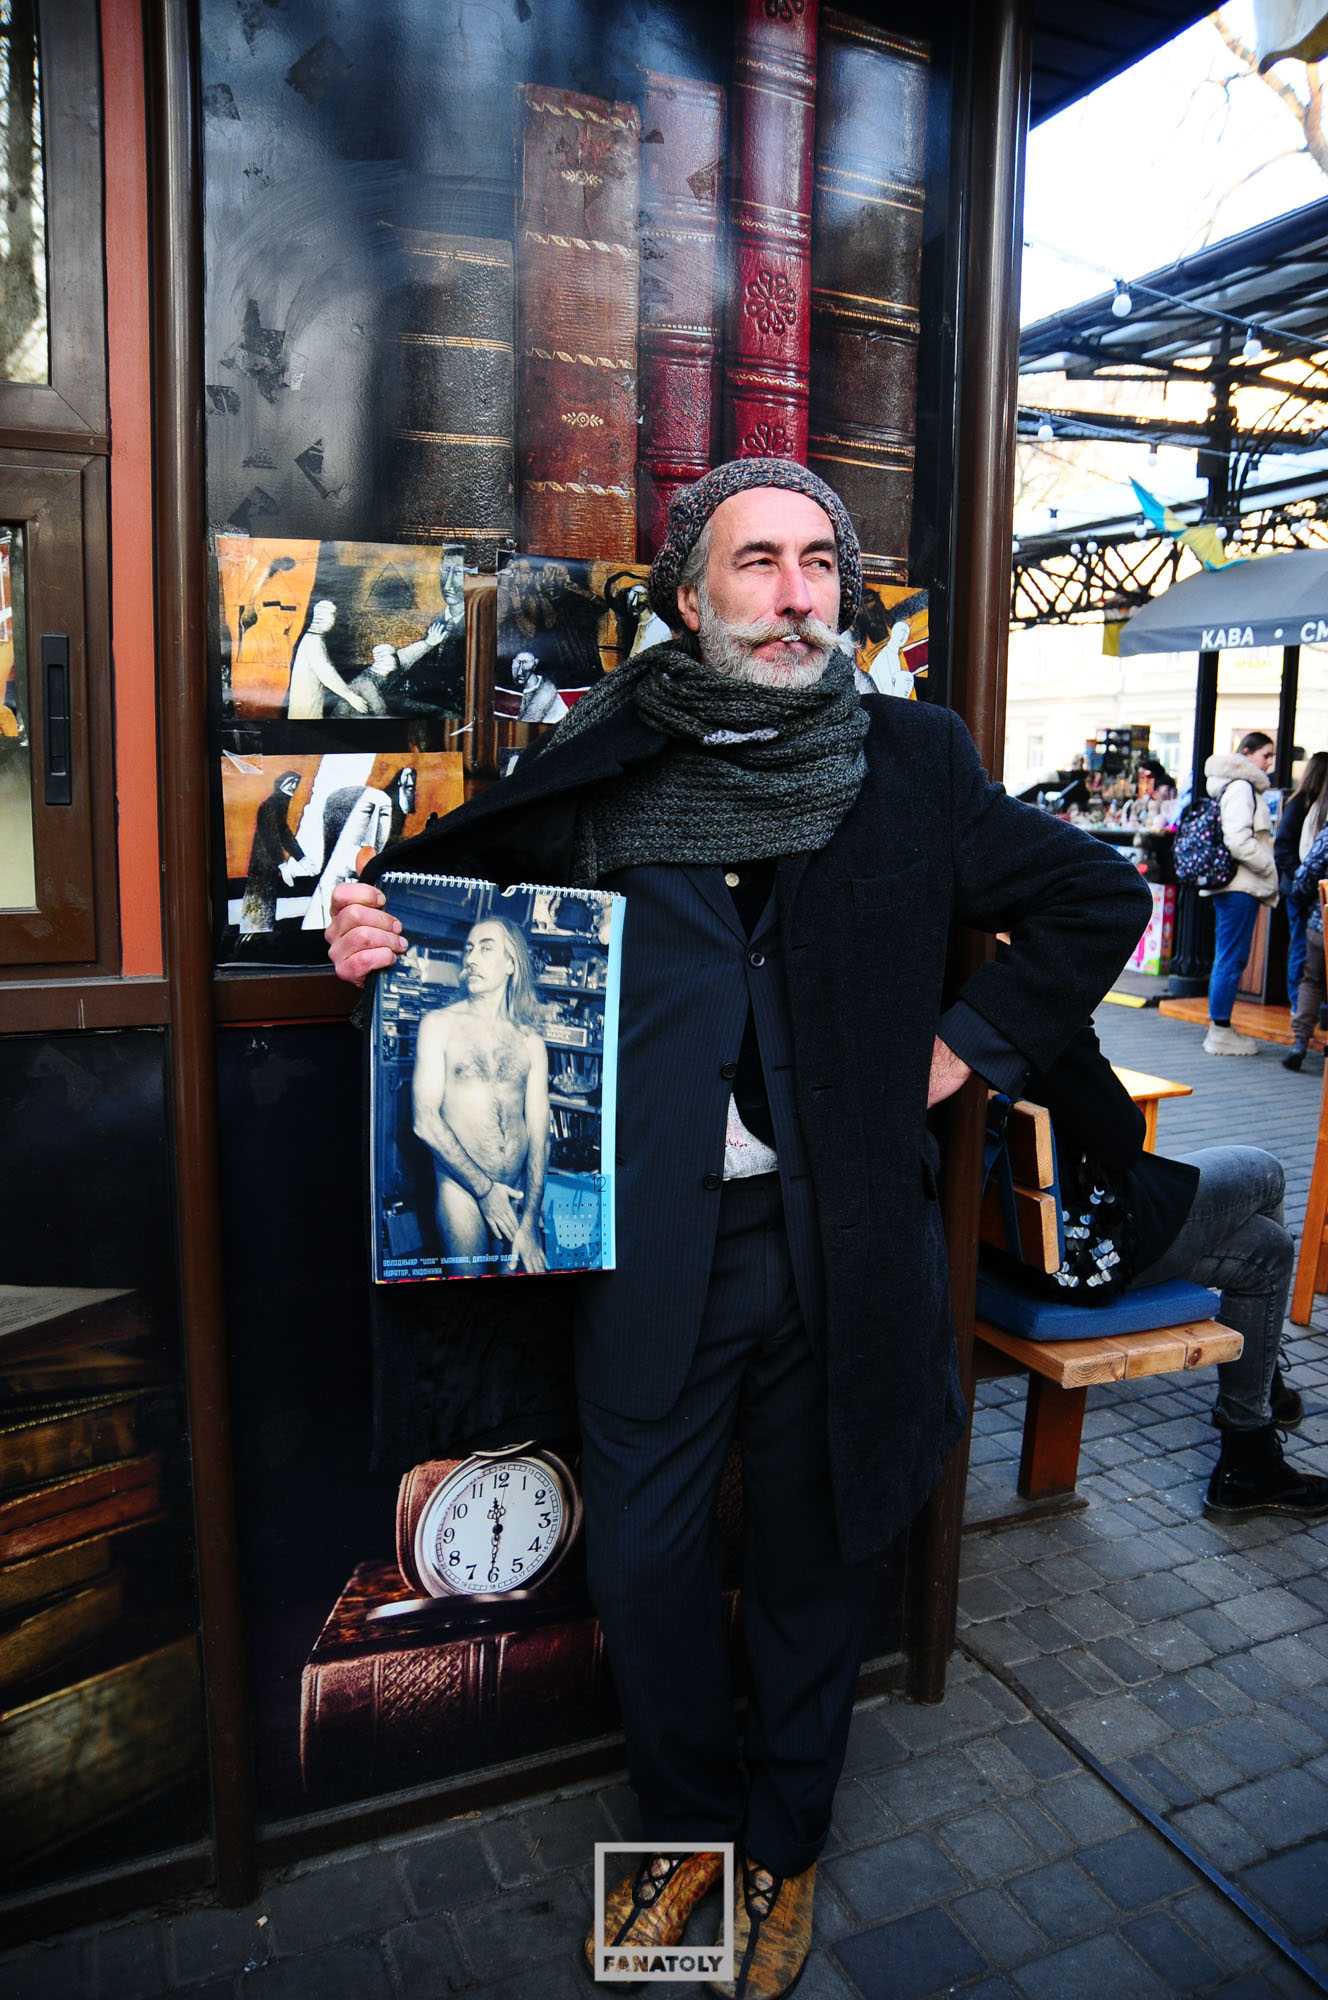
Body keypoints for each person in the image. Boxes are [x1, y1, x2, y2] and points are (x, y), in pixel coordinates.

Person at [325, 459, 1149, 2000]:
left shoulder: (913, 758)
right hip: (652, 1244)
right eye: (758, 559)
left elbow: (1096, 899)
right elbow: (452, 904)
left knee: (817, 1555)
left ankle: (788, 1838)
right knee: (643, 1566)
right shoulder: (606, 756)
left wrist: (958, 1052)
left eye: (819, 561)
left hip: (844, 1241)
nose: (793, 592)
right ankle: (687, 1840)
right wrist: (370, 931)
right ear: (691, 592)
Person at [1016, 1020, 1319, 1515]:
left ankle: (1255, 1421)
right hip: (1088, 1255)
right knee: (1265, 1171)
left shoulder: (969, 1020)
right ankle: (1252, 1432)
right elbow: (1124, 1136)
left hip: (1024, 1244)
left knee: (1267, 1246)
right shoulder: (1045, 1018)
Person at [411, 917, 549, 1276]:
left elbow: (540, 1134)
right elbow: (425, 1122)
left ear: (511, 964)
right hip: (462, 1191)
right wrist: (485, 1191)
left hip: (517, 1193)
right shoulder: (438, 1025)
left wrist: (531, 1217)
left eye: (486, 948)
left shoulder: (531, 1041)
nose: (471, 958)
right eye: (469, 949)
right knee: (468, 1299)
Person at [1202, 731, 1278, 1057]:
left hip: (1235, 884)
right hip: (1239, 885)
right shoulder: (1241, 787)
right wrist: (1269, 866)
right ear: (1247, 752)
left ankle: (1221, 1027)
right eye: (1266, 755)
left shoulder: (1235, 785)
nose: (1270, 763)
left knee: (1230, 956)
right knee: (1231, 958)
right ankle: (1219, 1031)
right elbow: (1237, 839)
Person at [1275, 750, 1328, 1009]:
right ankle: (1298, 1007)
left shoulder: (1311, 804)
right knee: (1301, 949)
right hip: (1301, 891)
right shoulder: (1300, 805)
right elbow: (1283, 848)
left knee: (1307, 952)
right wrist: (1301, 878)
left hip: (1307, 889)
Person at [1283, 814, 1328, 1071]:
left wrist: (1304, 904)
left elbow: (1305, 875)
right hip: (1321, 924)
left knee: (1312, 981)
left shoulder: (1327, 836)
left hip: (1321, 923)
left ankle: (1300, 1042)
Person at [285, 599, 368, 719]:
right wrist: (350, 696)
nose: (333, 622)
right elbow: (327, 673)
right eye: (332, 616)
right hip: (307, 703)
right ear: (324, 617)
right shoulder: (314, 641)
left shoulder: (312, 638)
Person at [511, 650, 568, 725]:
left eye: (525, 663)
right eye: (518, 663)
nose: (520, 671)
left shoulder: (547, 691)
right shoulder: (510, 690)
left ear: (535, 663)